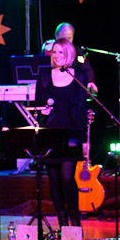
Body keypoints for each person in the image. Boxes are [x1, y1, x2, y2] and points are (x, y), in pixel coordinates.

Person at [35, 38, 89, 227]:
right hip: (50, 134)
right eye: (54, 52)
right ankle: (63, 224)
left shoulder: (79, 76)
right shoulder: (44, 76)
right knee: (54, 179)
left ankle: (75, 222)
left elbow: (82, 109)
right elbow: (37, 104)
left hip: (71, 134)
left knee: (67, 177)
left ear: (69, 54)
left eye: (60, 52)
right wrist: (42, 110)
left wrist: (84, 139)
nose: (56, 56)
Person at [42, 22, 98, 93]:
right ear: (56, 37)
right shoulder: (49, 49)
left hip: (72, 88)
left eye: (69, 38)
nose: (67, 42)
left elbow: (86, 69)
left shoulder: (77, 51)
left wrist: (90, 81)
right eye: (64, 38)